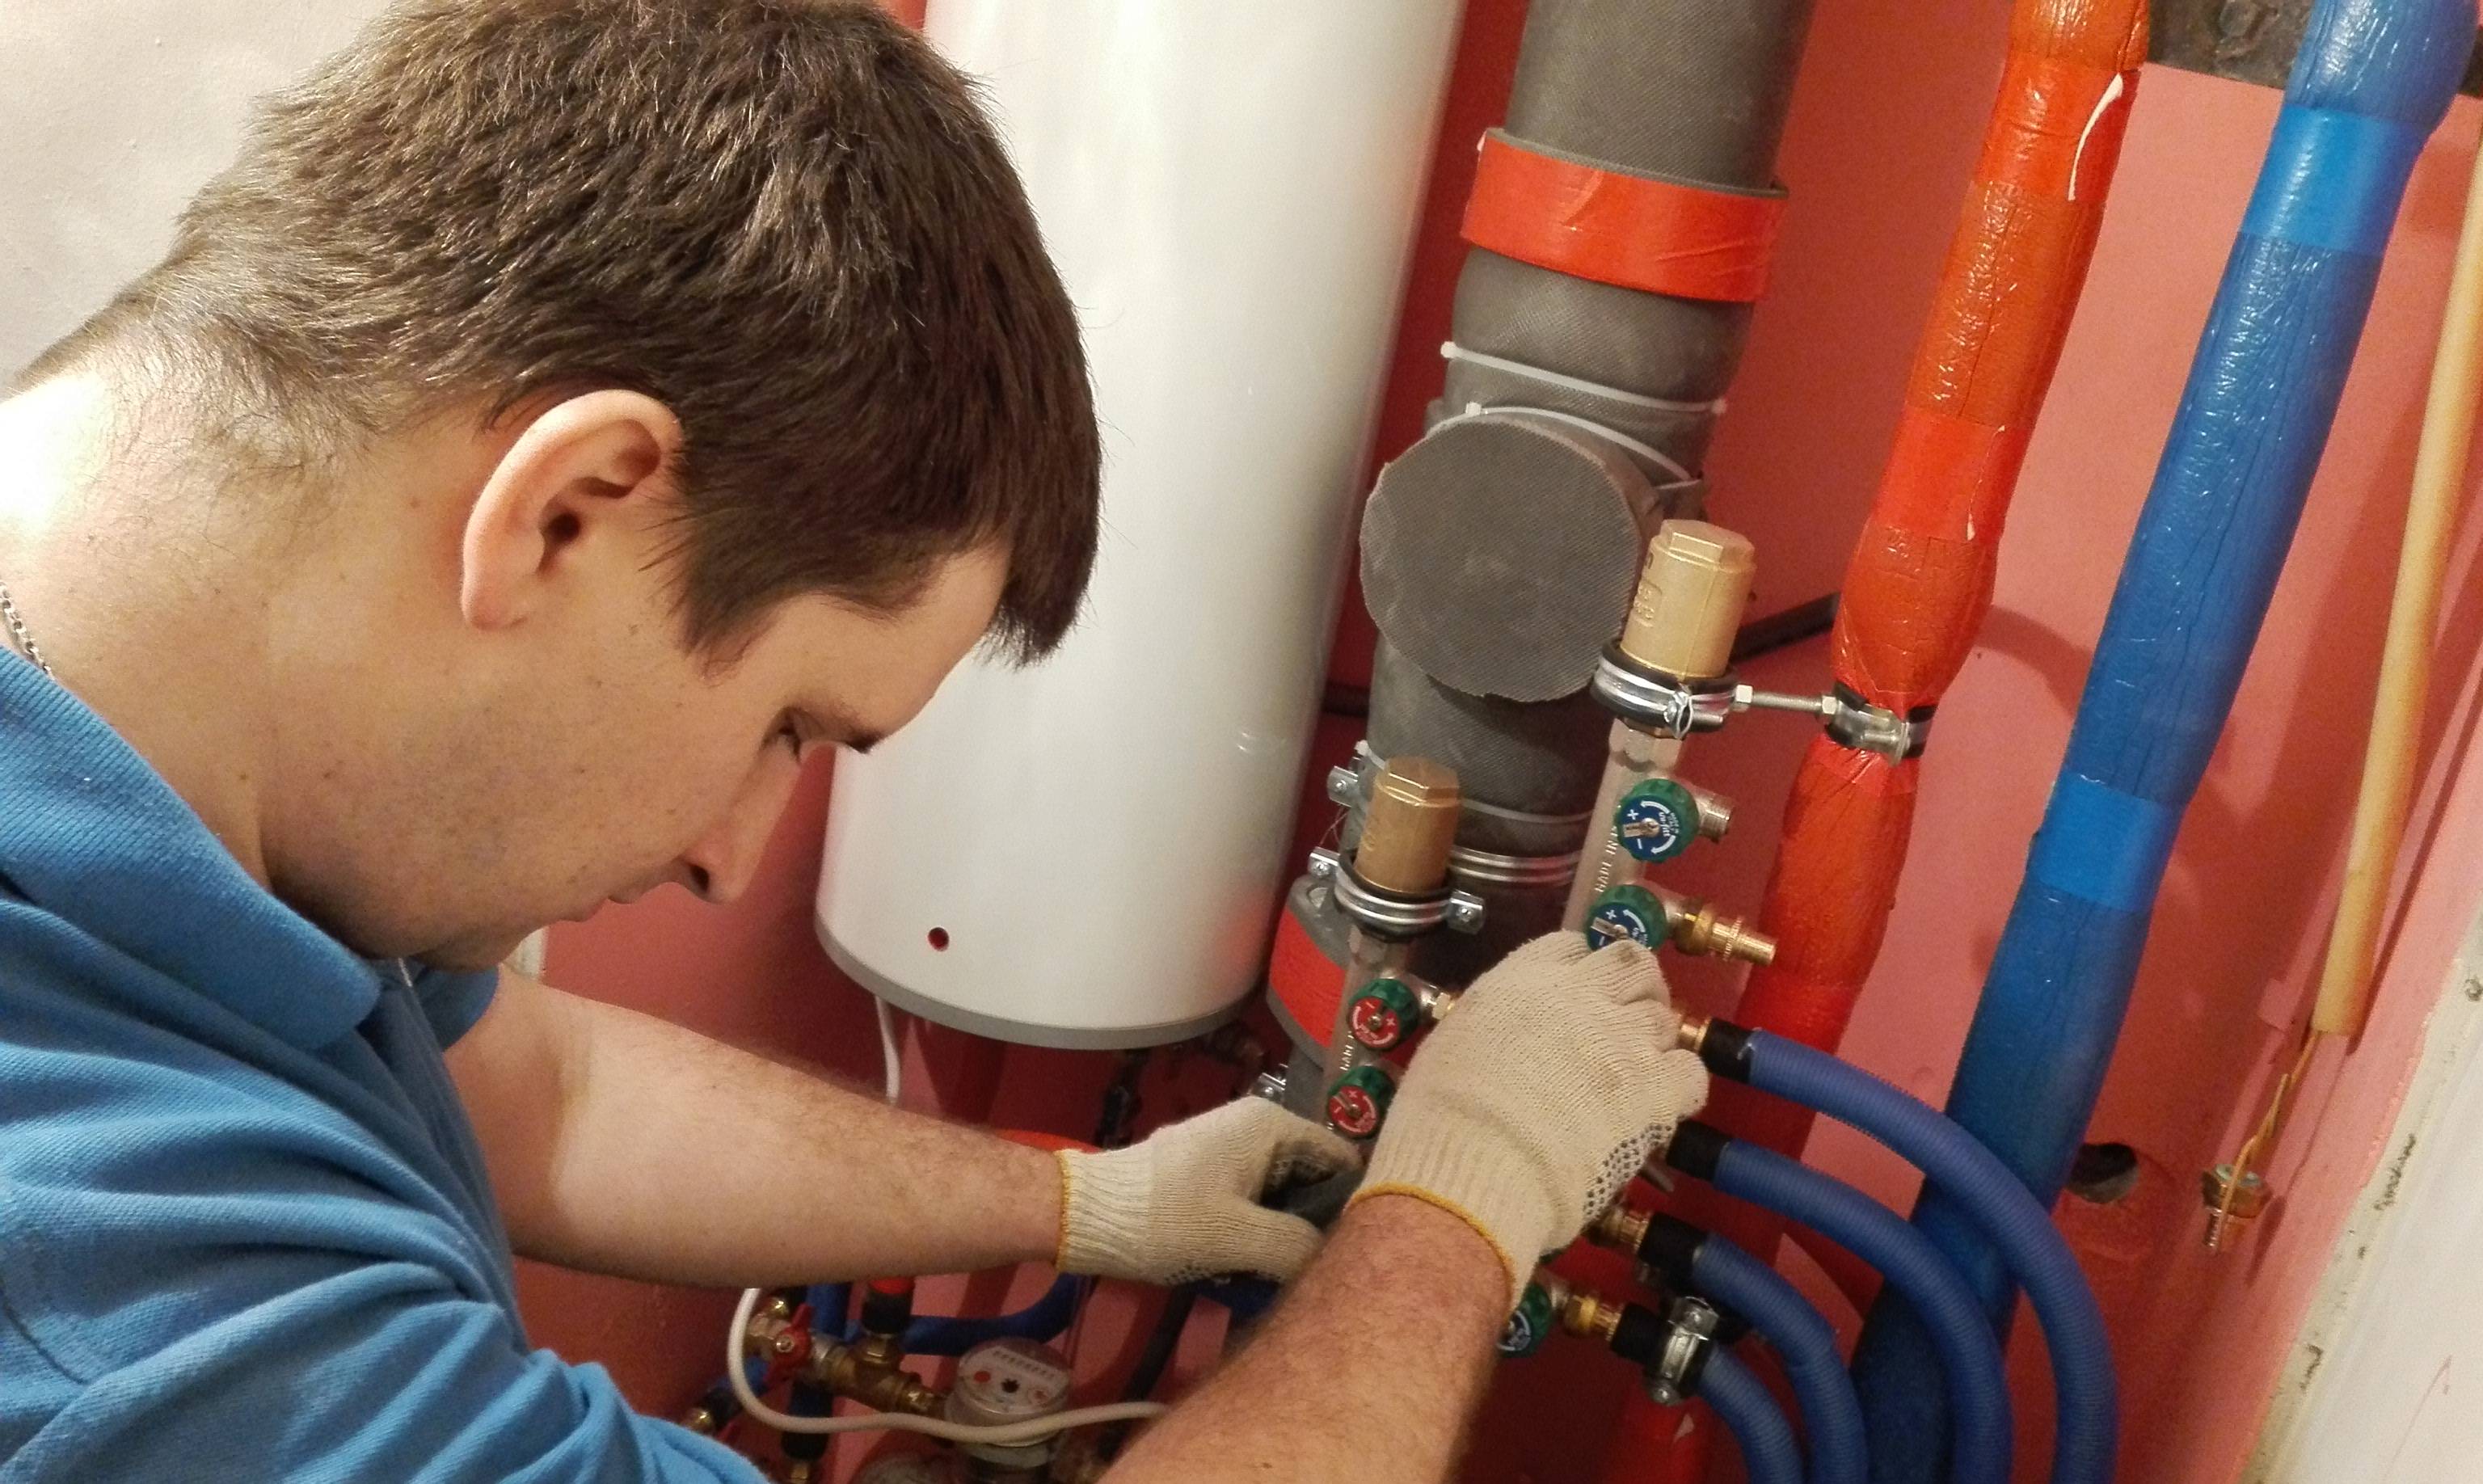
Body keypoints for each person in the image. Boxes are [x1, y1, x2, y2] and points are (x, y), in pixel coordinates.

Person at [0, 3, 1709, 1480]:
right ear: (572, 510)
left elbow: (538, 1092)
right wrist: (1453, 1214)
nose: (733, 854)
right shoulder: (113, 1284)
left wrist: (1088, 1205)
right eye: (789, 726)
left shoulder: (217, 803)